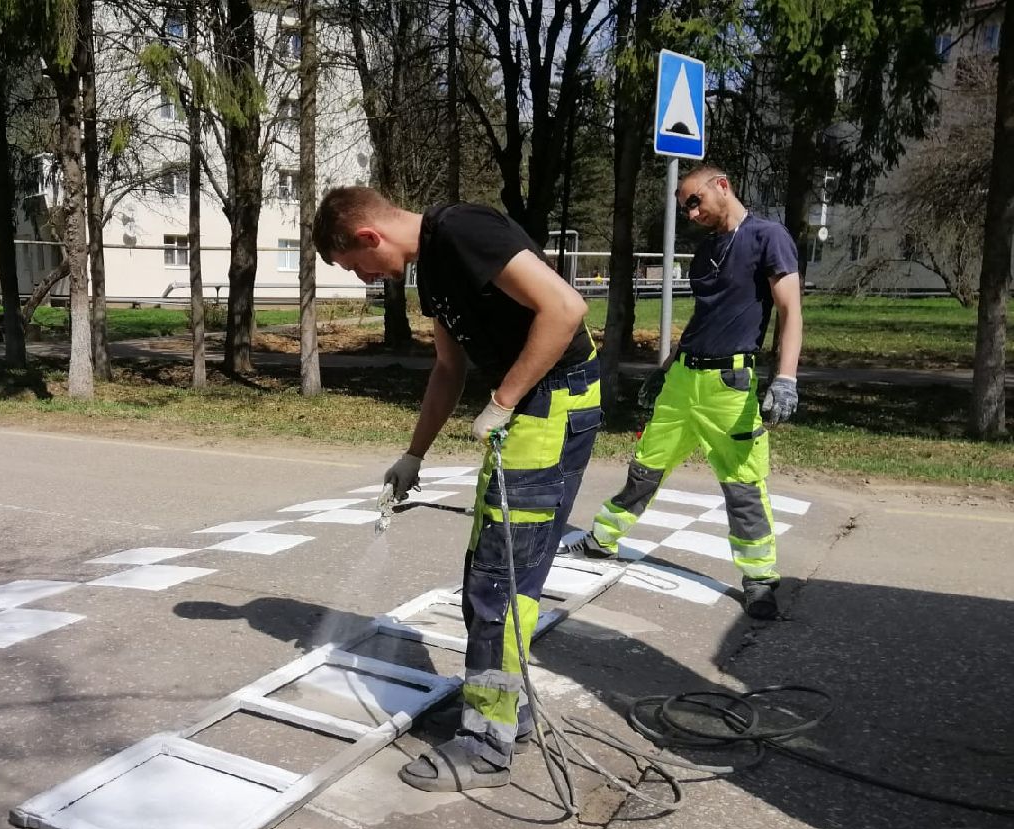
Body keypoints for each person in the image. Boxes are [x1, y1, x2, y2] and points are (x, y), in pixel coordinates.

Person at [312, 187, 601, 793]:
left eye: (354, 266)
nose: (363, 278)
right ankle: (503, 709)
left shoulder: (464, 231)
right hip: (529, 410)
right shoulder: (433, 271)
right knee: (489, 574)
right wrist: (413, 455)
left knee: (501, 580)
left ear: (369, 237)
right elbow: (449, 367)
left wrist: (504, 400)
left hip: (550, 407)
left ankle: (486, 745)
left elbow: (566, 309)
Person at [566, 165, 802, 620]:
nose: (691, 213)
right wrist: (667, 368)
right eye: (685, 207)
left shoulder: (768, 237)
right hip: (682, 382)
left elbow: (791, 310)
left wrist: (786, 378)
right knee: (646, 466)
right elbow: (701, 321)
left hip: (729, 388)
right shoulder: (709, 251)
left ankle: (759, 580)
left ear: (723, 186)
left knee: (742, 484)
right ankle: (603, 540)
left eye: (695, 201)